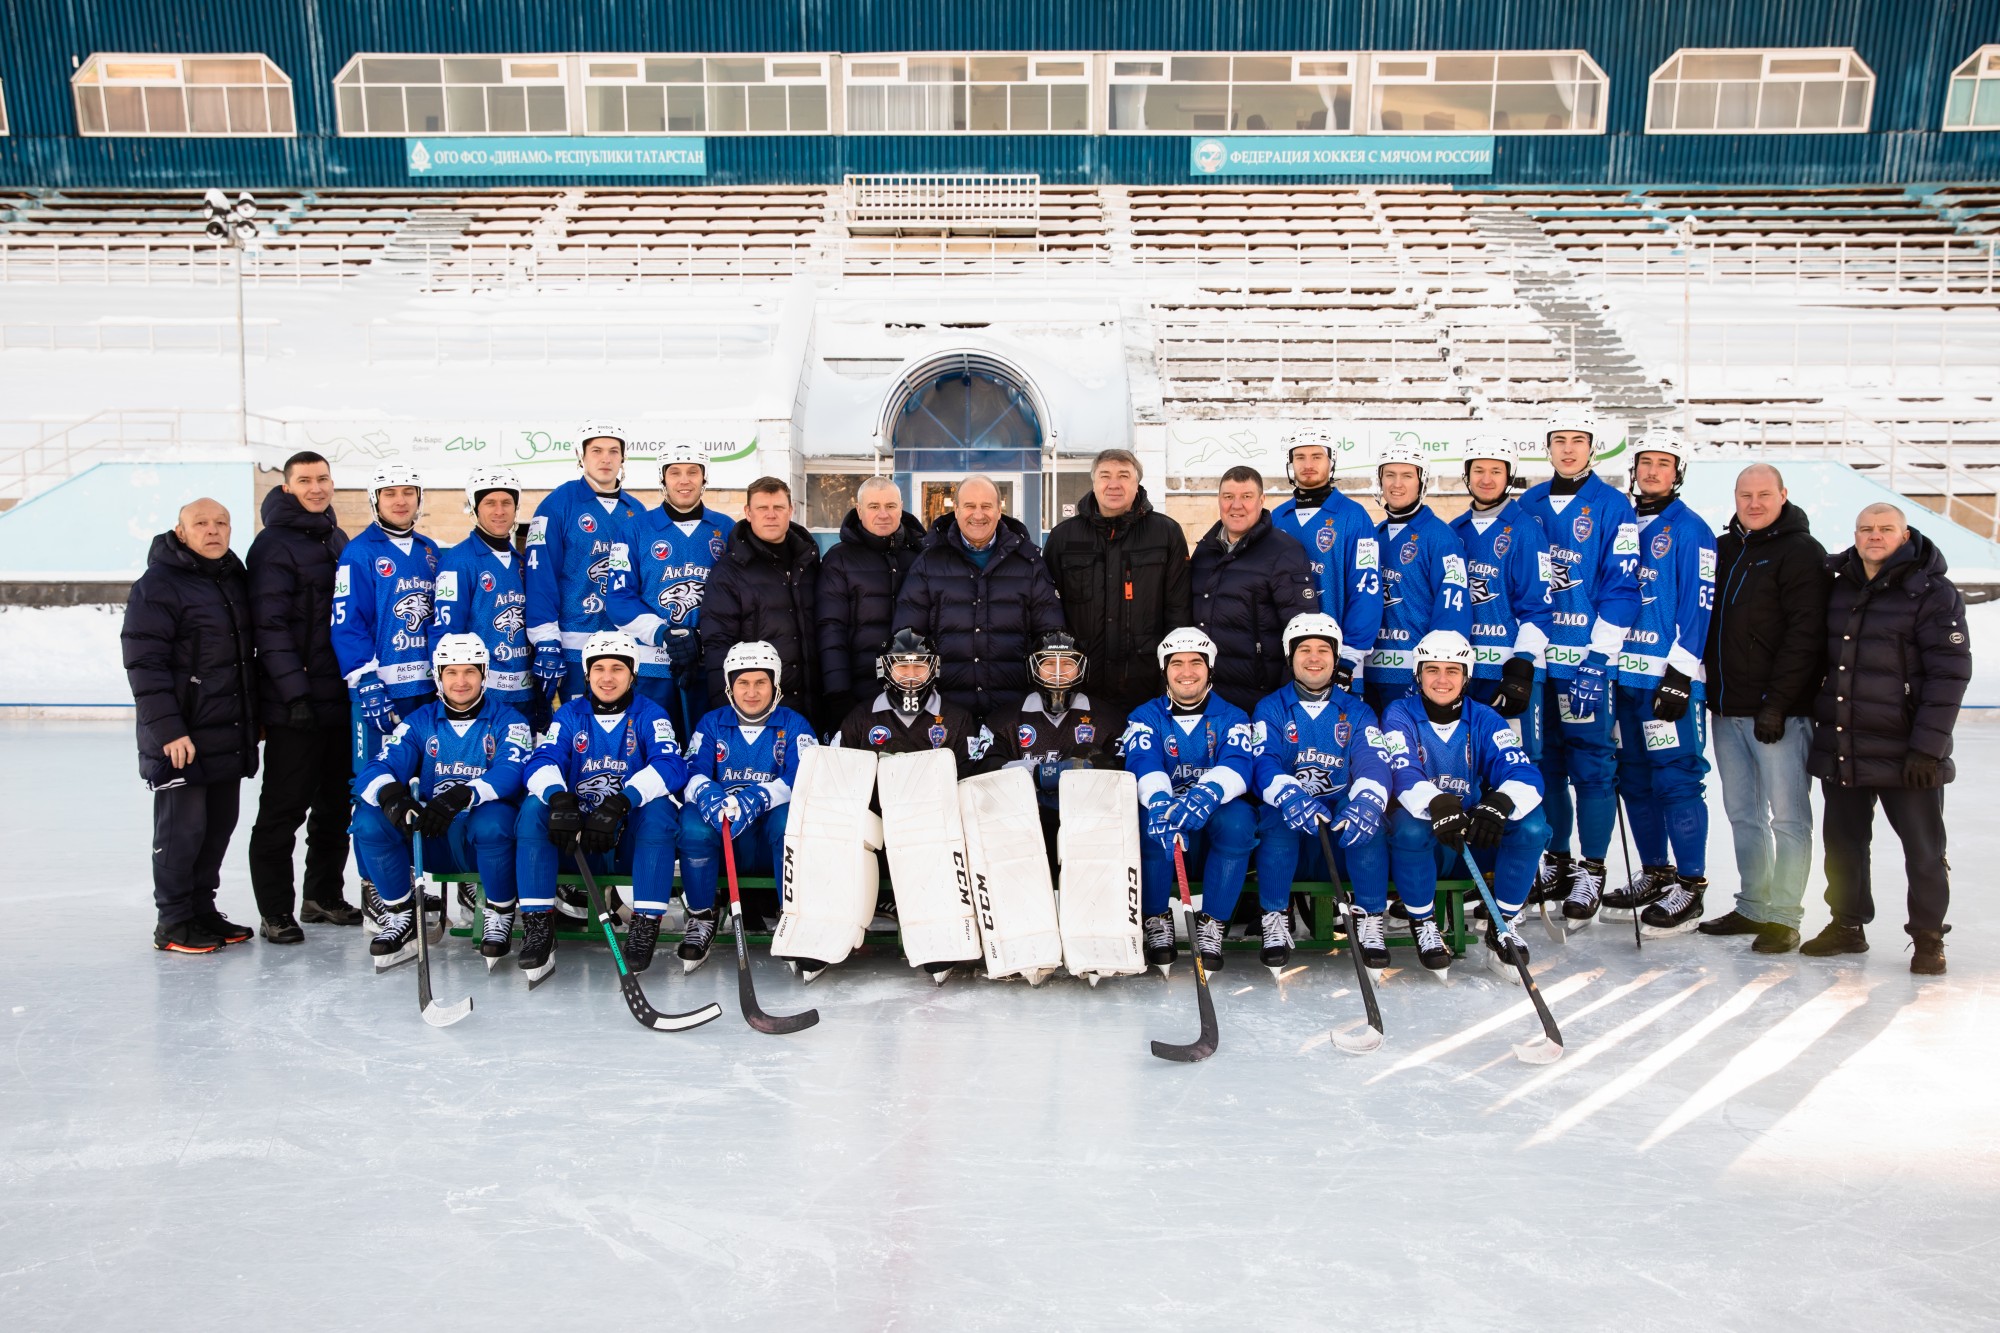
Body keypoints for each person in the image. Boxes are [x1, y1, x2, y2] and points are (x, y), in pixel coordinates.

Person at [1803, 504, 1969, 976]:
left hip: (1907, 751)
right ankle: (1847, 925)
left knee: (1923, 848)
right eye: (1866, 529)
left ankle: (1928, 937)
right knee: (1843, 843)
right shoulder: (1837, 584)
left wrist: (1927, 749)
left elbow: (1950, 674)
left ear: (1905, 533)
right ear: (1855, 534)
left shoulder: (1933, 592)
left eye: (1885, 529)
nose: (1875, 536)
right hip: (1845, 743)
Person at [1697, 463, 1829, 954]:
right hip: (1727, 710)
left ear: (1783, 495)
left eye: (1764, 494)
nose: (1754, 503)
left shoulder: (1800, 553)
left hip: (1780, 714)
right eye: (1745, 495)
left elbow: (1805, 637)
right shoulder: (1726, 548)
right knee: (1743, 814)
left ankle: (1784, 915)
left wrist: (1778, 703)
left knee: (1788, 817)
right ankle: (1754, 903)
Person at [122, 498, 260, 954]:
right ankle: (175, 921)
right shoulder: (158, 585)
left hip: (226, 730)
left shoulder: (232, 578)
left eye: (221, 522)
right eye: (200, 523)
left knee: (218, 826)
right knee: (182, 831)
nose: (212, 530)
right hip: (182, 735)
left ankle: (202, 910)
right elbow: (146, 664)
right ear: (180, 532)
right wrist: (169, 731)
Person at [1519, 408, 1639, 921]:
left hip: (1585, 663)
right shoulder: (1527, 503)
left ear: (1593, 448)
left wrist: (1598, 657)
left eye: (1578, 441)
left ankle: (1592, 867)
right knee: (1543, 765)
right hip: (1540, 662)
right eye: (1559, 441)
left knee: (1591, 767)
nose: (1568, 450)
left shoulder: (1615, 506)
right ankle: (1557, 859)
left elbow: (1623, 586)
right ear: (1547, 448)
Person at [349, 635, 532, 967]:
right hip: (432, 838)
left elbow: (511, 770)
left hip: (481, 844)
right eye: (451, 673)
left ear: (484, 674)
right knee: (368, 818)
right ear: (438, 676)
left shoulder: (510, 721)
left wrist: (463, 795)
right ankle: (401, 914)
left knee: (495, 820)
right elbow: (378, 767)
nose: (460, 682)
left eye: (469, 672)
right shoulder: (419, 722)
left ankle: (501, 911)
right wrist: (392, 796)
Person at [1597, 428, 1717, 934]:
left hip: (1665, 682)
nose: (1651, 472)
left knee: (1675, 777)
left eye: (1663, 464)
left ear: (1678, 473)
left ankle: (1690, 885)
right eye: (1645, 463)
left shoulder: (1690, 529)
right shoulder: (1624, 522)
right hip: (1623, 678)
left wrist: (1680, 674)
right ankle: (1656, 872)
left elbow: (1699, 604)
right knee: (1635, 779)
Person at [515, 631, 688, 980]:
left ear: (633, 673)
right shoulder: (569, 715)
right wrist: (558, 797)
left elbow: (671, 767)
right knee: (534, 810)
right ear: (587, 673)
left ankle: (644, 927)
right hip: (577, 839)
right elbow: (541, 760)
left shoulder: (651, 715)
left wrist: (623, 802)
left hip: (626, 839)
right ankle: (539, 927)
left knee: (659, 814)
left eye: (617, 669)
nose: (607, 678)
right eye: (598, 669)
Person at [1380, 631, 1550, 976]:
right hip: (1425, 836)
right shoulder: (1399, 713)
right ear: (1418, 674)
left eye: (1452, 671)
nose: (1442, 680)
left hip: (1469, 839)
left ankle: (1504, 923)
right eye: (1432, 670)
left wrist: (1499, 802)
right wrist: (1437, 803)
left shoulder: (1485, 718)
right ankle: (1423, 922)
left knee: (1532, 825)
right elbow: (1402, 771)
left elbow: (1523, 771)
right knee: (1410, 829)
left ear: (1466, 676)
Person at [246, 451, 361, 943]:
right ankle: (275, 910)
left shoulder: (336, 538)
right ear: (288, 487)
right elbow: (269, 627)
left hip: (339, 697)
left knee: (336, 806)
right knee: (284, 809)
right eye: (305, 480)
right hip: (299, 704)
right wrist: (294, 694)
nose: (316, 487)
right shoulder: (273, 545)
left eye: (323, 479)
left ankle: (321, 895)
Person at [1249, 614, 1394, 970]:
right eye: (1305, 650)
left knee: (1366, 820)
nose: (1314, 658)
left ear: (1335, 657)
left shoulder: (1357, 711)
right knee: (1277, 818)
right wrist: (1289, 794)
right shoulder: (1270, 708)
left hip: (1338, 821)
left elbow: (1373, 761)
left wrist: (1367, 800)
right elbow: (1262, 761)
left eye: (1322, 650)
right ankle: (1275, 917)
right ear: (1290, 657)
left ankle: (1371, 918)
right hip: (1293, 820)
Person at [1118, 627, 1259, 975]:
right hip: (1167, 809)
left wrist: (1207, 792)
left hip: (1212, 811)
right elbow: (1142, 761)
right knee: (1144, 822)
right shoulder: (1144, 715)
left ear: (1210, 668)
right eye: (1176, 663)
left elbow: (1239, 764)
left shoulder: (1233, 716)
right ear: (1164, 669)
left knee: (1240, 822)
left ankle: (1212, 924)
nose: (1186, 671)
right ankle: (1156, 918)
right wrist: (1161, 800)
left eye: (1196, 662)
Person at [675, 640, 819, 973]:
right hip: (725, 835)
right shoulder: (712, 722)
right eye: (743, 682)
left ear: (775, 683)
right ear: (730, 685)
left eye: (760, 682)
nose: (751, 692)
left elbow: (805, 775)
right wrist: (709, 793)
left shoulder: (794, 724)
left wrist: (760, 797)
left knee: (790, 819)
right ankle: (701, 916)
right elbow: (691, 772)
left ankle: (793, 918)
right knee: (692, 823)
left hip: (767, 836)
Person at [893, 474, 1066, 721]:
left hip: (1014, 710)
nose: (978, 514)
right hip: (944, 711)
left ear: (999, 510)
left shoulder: (1029, 563)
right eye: (970, 506)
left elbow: (1051, 637)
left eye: (986, 506)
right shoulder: (929, 562)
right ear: (956, 510)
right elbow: (907, 637)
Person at [1040, 449, 1192, 714]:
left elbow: (1178, 610)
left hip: (1144, 684)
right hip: (1081, 684)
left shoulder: (1165, 533)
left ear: (1136, 484)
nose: (1114, 484)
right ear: (1094, 482)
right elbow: (1048, 611)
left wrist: (1171, 672)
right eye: (1105, 475)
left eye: (1124, 476)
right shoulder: (1064, 537)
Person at [604, 441, 733, 741]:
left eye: (692, 472)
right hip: (652, 670)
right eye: (674, 472)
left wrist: (701, 639)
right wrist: (664, 635)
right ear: (662, 479)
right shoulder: (634, 530)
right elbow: (619, 600)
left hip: (709, 668)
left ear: (705, 478)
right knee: (655, 753)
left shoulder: (726, 529)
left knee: (705, 754)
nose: (684, 480)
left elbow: (738, 598)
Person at [524, 423, 649, 702]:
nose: (606, 458)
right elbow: (540, 575)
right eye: (597, 451)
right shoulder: (556, 505)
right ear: (581, 456)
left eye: (613, 451)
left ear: (623, 458)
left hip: (624, 644)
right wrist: (545, 638)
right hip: (573, 642)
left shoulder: (637, 511)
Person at [1449, 435, 1554, 758]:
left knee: (1517, 766)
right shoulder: (1455, 530)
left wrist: (1522, 664)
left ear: (1509, 476)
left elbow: (1538, 607)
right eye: (1478, 470)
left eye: (1496, 470)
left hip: (1509, 673)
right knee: (1468, 768)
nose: (1486, 479)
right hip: (1465, 674)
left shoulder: (1526, 529)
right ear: (1467, 475)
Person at [331, 463, 440, 763]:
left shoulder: (429, 550)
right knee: (375, 778)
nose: (400, 500)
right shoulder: (359, 552)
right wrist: (365, 678)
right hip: (382, 689)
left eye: (408, 492)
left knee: (424, 778)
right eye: (389, 493)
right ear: (375, 500)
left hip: (428, 687)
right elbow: (347, 622)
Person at [1188, 466, 1319, 712]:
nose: (1236, 505)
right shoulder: (1205, 549)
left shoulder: (1284, 552)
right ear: (1219, 500)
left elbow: (1302, 632)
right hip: (1205, 694)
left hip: (1257, 698)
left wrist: (1283, 700)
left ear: (1261, 501)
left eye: (1246, 497)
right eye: (1228, 497)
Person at [987, 630, 1118, 869]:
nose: (1058, 672)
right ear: (1034, 668)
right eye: (1048, 663)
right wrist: (1038, 773)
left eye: (1068, 663)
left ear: (1082, 668)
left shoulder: (1109, 719)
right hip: (1024, 831)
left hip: (1088, 830)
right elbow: (984, 769)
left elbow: (1121, 775)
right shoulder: (1004, 719)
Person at [700, 476, 823, 727]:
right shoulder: (729, 572)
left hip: (812, 705)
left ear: (791, 510)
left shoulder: (810, 562)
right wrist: (728, 714)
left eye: (778, 508)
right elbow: (717, 646)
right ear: (748, 512)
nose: (771, 515)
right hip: (758, 710)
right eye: (762, 508)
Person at [1268, 427, 1382, 691]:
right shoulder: (1276, 518)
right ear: (1290, 463)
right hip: (1287, 658)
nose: (1308, 465)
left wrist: (1350, 655)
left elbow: (1367, 588)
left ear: (1331, 462)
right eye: (1300, 457)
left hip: (1340, 660)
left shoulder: (1355, 516)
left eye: (1317, 456)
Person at [1365, 440, 1471, 717]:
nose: (1397, 484)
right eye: (1390, 475)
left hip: (1411, 675)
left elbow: (1453, 610)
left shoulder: (1441, 537)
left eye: (1407, 475)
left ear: (1421, 482)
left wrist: (1430, 671)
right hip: (1369, 672)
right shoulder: (1374, 535)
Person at [815, 475, 927, 730]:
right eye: (874, 506)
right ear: (859, 510)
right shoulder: (839, 560)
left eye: (890, 506)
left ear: (901, 507)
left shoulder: (921, 556)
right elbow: (830, 628)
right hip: (858, 688)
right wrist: (838, 692)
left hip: (913, 685)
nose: (883, 514)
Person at [432, 467, 537, 729]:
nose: (499, 511)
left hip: (525, 693)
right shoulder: (458, 562)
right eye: (490, 503)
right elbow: (447, 634)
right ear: (476, 508)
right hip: (483, 698)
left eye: (506, 503)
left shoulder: (521, 563)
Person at [833, 629, 996, 777]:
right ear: (886, 669)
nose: (911, 675)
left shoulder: (958, 719)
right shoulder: (861, 718)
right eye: (902, 666)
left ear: (934, 669)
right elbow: (837, 774)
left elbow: (968, 781)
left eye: (919, 666)